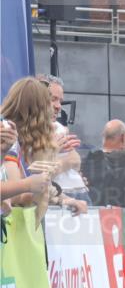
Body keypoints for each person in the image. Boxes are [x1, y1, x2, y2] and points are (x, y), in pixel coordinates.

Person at [1, 77, 87, 217]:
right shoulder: (7, 134)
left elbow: (27, 189)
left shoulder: (22, 138)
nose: (56, 108)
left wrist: (64, 200)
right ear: (36, 108)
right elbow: (15, 194)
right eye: (50, 101)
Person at [38, 74, 90, 205]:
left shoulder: (59, 128)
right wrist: (61, 161)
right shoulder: (23, 131)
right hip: (56, 197)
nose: (58, 106)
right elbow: (37, 172)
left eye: (60, 101)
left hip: (79, 193)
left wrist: (56, 163)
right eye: (53, 99)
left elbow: (76, 160)